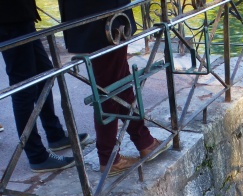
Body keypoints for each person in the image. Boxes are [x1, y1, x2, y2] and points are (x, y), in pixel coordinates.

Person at [58, 0, 166, 176]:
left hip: (104, 19)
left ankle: (143, 141)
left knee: (118, 83)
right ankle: (109, 158)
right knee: (108, 89)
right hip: (102, 19)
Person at [0, 0, 90, 173]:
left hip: (20, 16)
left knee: (45, 73)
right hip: (10, 18)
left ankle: (54, 134)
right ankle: (36, 155)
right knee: (24, 86)